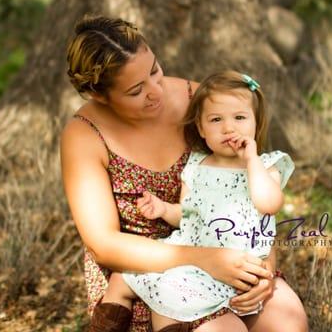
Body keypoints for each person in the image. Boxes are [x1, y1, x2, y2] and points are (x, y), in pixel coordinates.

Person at [60, 15, 307, 332]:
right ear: (100, 95)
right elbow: (104, 244)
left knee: (288, 321)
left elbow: (249, 190)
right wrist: (204, 259)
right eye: (136, 90)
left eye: (154, 70)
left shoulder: (198, 101)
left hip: (227, 250)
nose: (156, 91)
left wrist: (263, 265)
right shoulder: (85, 136)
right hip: (144, 272)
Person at [100, 70, 299, 332]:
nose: (229, 128)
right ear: (202, 129)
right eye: (216, 120)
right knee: (128, 278)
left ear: (255, 123)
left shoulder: (265, 166)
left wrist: (251, 160)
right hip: (199, 262)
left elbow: (269, 204)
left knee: (292, 320)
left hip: (244, 267)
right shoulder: (196, 165)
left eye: (240, 118)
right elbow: (189, 215)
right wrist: (163, 209)